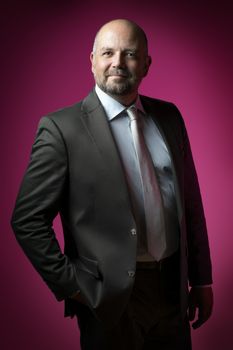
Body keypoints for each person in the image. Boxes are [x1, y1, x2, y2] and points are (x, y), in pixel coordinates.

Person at [11, 19, 213, 350]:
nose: (117, 63)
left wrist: (201, 280)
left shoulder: (170, 117)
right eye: (108, 53)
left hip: (172, 291)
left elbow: (190, 203)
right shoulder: (61, 129)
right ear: (92, 60)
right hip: (107, 299)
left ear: (146, 64)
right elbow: (27, 220)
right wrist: (74, 286)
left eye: (130, 53)